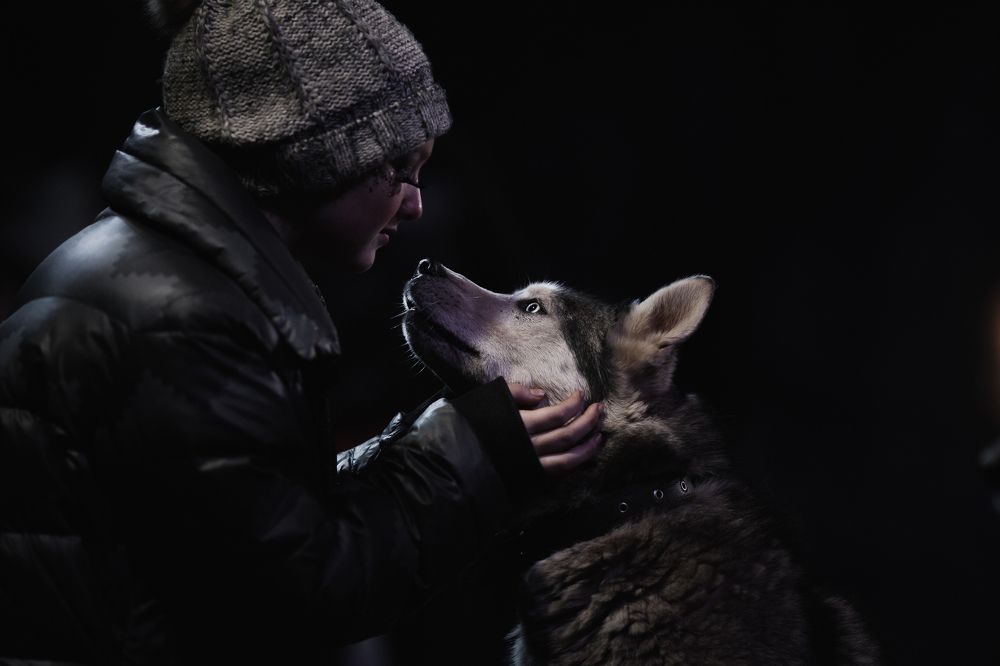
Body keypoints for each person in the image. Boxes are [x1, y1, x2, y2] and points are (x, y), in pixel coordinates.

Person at [0, 1, 604, 664]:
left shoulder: (160, 274)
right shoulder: (183, 316)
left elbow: (264, 528)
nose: (416, 202)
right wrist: (467, 452)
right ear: (318, 155)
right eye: (398, 168)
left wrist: (436, 443)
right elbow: (307, 589)